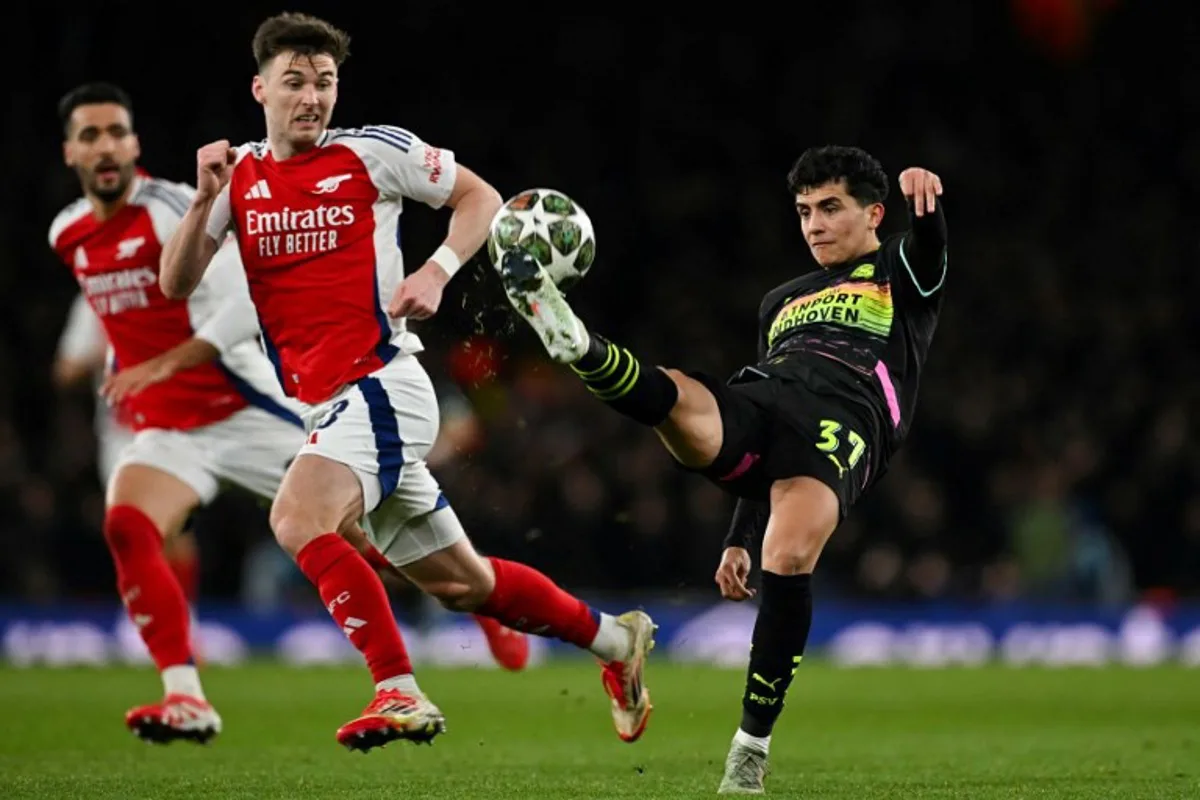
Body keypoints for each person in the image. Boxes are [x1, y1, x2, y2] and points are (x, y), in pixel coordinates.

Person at [159, 11, 655, 752]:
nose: (312, 97)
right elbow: (175, 284)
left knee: (297, 519)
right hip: (327, 406)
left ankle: (399, 690)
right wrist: (202, 199)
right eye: (295, 82)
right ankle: (618, 643)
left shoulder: (372, 153)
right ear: (260, 88)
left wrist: (438, 269)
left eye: (325, 82)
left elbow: (480, 198)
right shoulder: (239, 179)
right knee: (465, 586)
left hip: (383, 385)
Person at [495, 146, 949, 793]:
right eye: (803, 212)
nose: (814, 224)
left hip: (843, 421)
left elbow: (931, 252)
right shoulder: (781, 301)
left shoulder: (898, 270)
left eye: (830, 208)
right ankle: (582, 347)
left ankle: (750, 746)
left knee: (788, 555)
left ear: (875, 213)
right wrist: (737, 534)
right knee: (680, 402)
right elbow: (764, 428)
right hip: (767, 398)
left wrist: (926, 206)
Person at [49, 80, 319, 745]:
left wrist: (165, 361)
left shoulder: (172, 209)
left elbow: (248, 304)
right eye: (90, 135)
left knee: (379, 543)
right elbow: (97, 338)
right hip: (170, 430)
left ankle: (482, 602)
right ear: (69, 153)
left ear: (135, 143)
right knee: (130, 526)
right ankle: (185, 695)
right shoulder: (68, 233)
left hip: (247, 407)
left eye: (116, 131)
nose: (105, 145)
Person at [53, 292, 203, 608]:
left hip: (170, 430)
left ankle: (180, 619)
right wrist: (101, 352)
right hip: (119, 438)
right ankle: (150, 616)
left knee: (174, 529)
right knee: (137, 532)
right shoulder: (92, 300)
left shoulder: (166, 290)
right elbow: (64, 371)